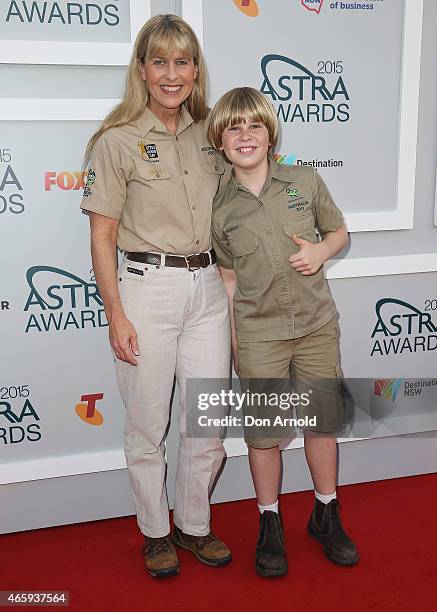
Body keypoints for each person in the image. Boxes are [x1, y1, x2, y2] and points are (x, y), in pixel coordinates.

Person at [80, 14, 232, 579]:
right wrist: (115, 312)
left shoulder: (210, 134)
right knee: (148, 425)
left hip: (209, 289)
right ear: (142, 70)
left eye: (183, 61)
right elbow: (102, 235)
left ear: (196, 69)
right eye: (160, 61)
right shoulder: (115, 141)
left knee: (207, 422)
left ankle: (195, 524)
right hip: (147, 290)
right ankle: (155, 532)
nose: (173, 74)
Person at [208, 87, 359, 577]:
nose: (245, 135)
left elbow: (339, 233)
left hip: (316, 326)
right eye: (234, 127)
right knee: (264, 434)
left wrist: (322, 251)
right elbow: (228, 279)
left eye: (254, 125)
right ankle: (269, 521)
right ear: (221, 141)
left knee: (322, 423)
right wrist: (236, 343)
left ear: (270, 134)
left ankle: (326, 511)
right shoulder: (220, 207)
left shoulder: (306, 180)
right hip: (259, 336)